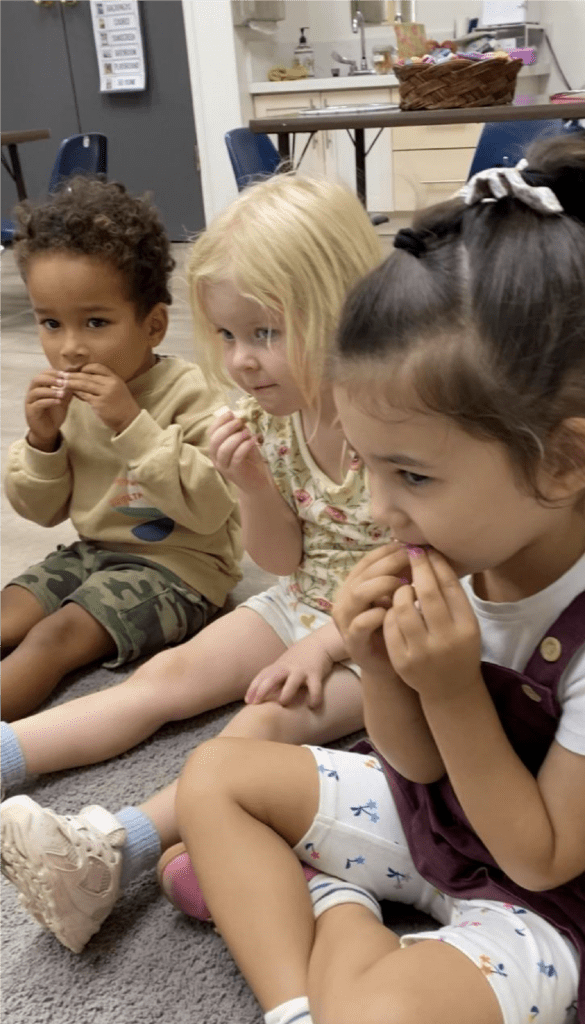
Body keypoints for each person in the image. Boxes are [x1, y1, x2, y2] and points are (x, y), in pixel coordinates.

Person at [156, 137, 585, 1024]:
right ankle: (301, 1001)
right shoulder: (471, 549)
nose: (380, 509)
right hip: (453, 825)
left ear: (563, 463)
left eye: (411, 476)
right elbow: (417, 766)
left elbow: (541, 857)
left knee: (382, 1010)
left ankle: (334, 910)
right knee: (215, 775)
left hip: (566, 900)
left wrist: (450, 689)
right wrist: (380, 666)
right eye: (367, 465)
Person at [0, 173, 386, 954]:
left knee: (260, 725)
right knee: (165, 681)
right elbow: (278, 558)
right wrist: (250, 483)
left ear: (346, 311)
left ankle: (114, 853)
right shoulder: (267, 420)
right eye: (227, 338)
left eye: (265, 335)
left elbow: (435, 569)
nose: (240, 363)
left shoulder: (398, 418)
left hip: (379, 637)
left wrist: (328, 642)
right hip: (304, 596)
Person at [1, 176, 242, 722]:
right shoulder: (68, 398)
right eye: (50, 324)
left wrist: (129, 422)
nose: (70, 347)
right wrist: (42, 440)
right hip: (92, 550)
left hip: (180, 569)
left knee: (54, 637)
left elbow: (211, 507)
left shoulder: (191, 392)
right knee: (9, 615)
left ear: (153, 324)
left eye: (96, 322)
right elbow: (39, 511)